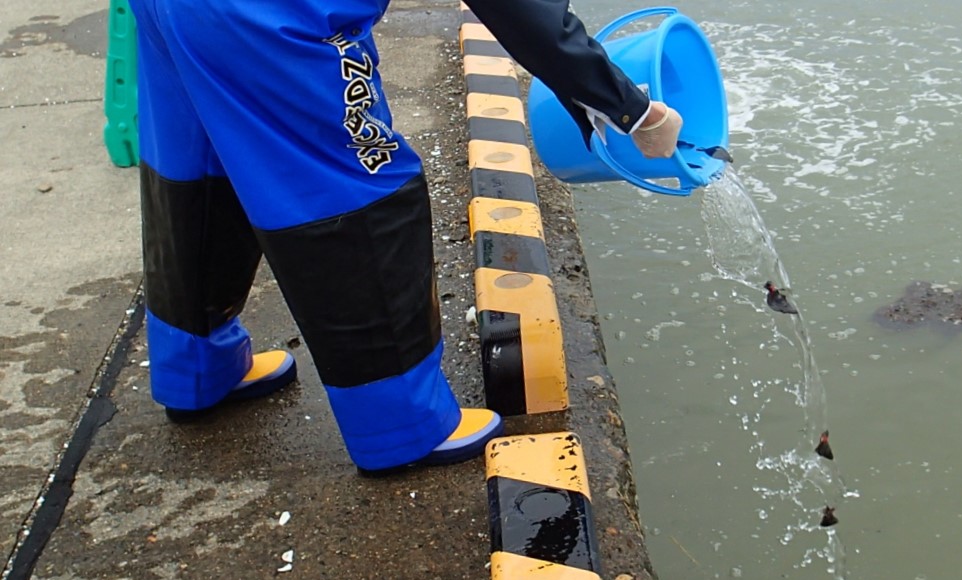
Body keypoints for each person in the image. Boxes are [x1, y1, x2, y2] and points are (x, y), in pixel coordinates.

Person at [129, 0, 683, 472]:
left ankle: (196, 368)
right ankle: (401, 425)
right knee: (358, 180)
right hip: (271, 14)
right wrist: (629, 108)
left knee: (198, 159)